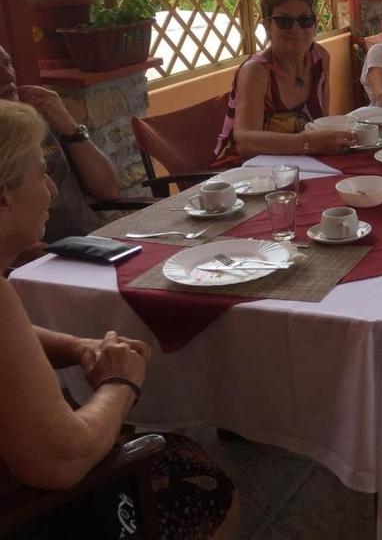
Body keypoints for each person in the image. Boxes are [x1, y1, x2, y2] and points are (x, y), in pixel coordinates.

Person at [0, 100, 238, 538]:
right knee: (200, 478)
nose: (51, 191)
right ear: (2, 198)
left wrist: (75, 347)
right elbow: (64, 460)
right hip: (26, 510)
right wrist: (120, 384)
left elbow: (11, 344)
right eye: (40, 176)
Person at [213, 0, 355, 167]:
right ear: (267, 27)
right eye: (284, 21)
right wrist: (310, 143)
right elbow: (245, 140)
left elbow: (321, 123)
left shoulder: (319, 58)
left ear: (314, 23)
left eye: (305, 20)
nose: (296, 29)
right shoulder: (256, 71)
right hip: (245, 171)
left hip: (302, 165)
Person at [0, 43, 120, 245]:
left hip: (92, 240)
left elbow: (108, 190)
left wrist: (70, 127)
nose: (7, 77)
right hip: (43, 260)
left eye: (7, 64)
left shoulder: (35, 116)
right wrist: (56, 256)